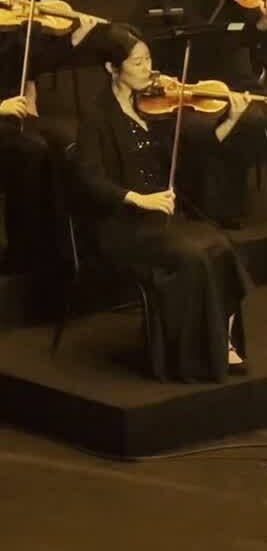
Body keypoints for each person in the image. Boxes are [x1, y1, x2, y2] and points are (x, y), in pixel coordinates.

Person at [72, 25, 253, 381]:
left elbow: (192, 156)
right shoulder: (97, 116)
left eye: (149, 60)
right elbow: (88, 179)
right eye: (137, 62)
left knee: (221, 246)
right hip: (123, 225)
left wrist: (230, 120)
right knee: (192, 256)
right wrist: (138, 199)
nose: (148, 69)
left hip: (164, 217)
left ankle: (221, 341)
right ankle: (191, 356)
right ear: (112, 68)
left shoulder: (154, 106)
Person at [131, 0, 267, 228]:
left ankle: (232, 204)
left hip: (230, 72)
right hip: (182, 76)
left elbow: (249, 41)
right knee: (198, 123)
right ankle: (199, 204)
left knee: (249, 115)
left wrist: (264, 21)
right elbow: (141, 35)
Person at [0, 0, 112, 277]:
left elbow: (30, 64)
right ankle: (22, 253)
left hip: (13, 117)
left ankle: (63, 250)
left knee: (67, 145)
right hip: (4, 116)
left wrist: (74, 40)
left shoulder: (10, 30)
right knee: (31, 151)